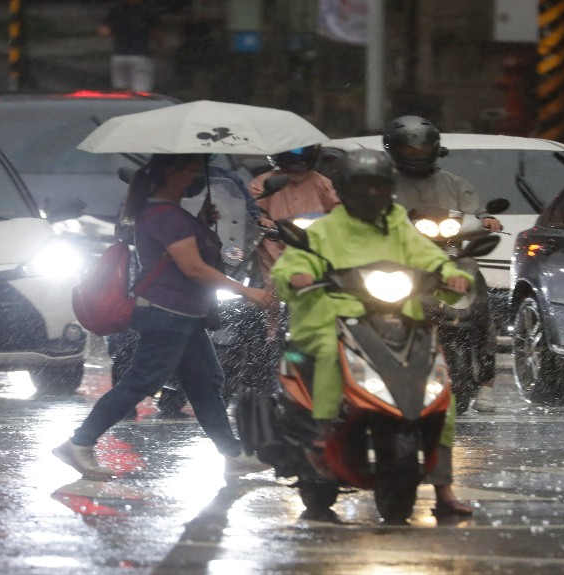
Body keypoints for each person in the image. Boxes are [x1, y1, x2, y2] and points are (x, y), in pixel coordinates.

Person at [269, 149, 475, 518]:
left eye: (378, 187)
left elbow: (426, 257)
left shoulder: (397, 222)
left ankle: (444, 490)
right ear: (346, 191)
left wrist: (450, 275)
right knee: (331, 357)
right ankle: (322, 428)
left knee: (442, 396)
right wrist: (297, 275)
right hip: (334, 318)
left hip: (399, 321)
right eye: (362, 188)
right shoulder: (325, 229)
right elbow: (297, 261)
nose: (371, 196)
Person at [54, 153, 276, 480]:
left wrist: (199, 221)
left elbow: (182, 257)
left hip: (184, 314)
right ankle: (80, 442)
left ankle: (234, 453)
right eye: (188, 171)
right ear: (170, 174)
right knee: (140, 382)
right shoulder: (166, 216)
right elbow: (193, 267)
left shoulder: (166, 214)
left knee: (205, 384)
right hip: (168, 314)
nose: (192, 179)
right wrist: (249, 292)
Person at [384, 115, 503, 415]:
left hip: (449, 256)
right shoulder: (383, 184)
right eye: (410, 149)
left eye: (423, 147)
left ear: (435, 148)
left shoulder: (455, 184)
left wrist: (487, 219)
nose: (417, 154)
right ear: (394, 149)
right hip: (398, 259)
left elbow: (476, 213)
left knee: (480, 307)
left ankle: (487, 382)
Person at [248, 145, 340, 280]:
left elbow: (338, 209)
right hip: (275, 247)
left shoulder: (322, 182)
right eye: (293, 166)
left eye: (302, 165)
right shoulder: (263, 182)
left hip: (315, 246)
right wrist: (262, 219)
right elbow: (252, 207)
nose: (298, 169)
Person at [99, 0, 160, 93]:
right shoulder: (147, 11)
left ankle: (124, 106)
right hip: (141, 55)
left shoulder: (115, 11)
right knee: (142, 91)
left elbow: (104, 33)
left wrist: (119, 32)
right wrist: (159, 47)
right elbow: (156, 33)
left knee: (120, 91)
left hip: (119, 55)